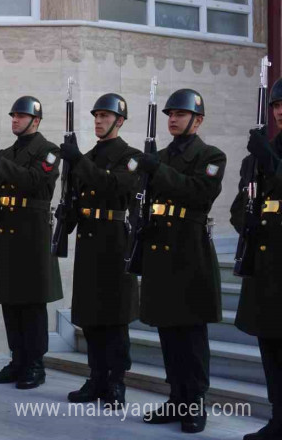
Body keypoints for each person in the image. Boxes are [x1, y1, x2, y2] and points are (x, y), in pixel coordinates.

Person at [136, 89, 225, 434]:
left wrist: (156, 170)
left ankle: (194, 401)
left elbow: (199, 193)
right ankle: (176, 398)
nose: (172, 119)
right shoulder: (157, 156)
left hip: (190, 253)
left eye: (180, 114)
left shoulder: (211, 155)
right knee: (168, 332)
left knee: (190, 334)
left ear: (197, 120)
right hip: (160, 250)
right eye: (170, 114)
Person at [58, 93, 140, 407]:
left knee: (115, 318)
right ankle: (96, 378)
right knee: (91, 316)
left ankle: (116, 382)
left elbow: (115, 187)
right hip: (90, 240)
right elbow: (78, 198)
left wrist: (78, 161)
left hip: (116, 241)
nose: (99, 121)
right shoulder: (88, 156)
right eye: (96, 116)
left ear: (119, 121)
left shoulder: (130, 157)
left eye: (105, 116)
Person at [0, 96, 63, 390]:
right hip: (9, 232)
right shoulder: (6, 152)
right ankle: (17, 360)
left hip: (33, 233)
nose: (15, 120)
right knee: (10, 301)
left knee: (31, 303)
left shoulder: (50, 151)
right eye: (13, 116)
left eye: (21, 116)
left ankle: (35, 365)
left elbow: (34, 182)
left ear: (36, 120)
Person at [231, 78, 282, 440]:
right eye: (277, 106)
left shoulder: (268, 154)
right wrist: (245, 221)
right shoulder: (263, 153)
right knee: (271, 351)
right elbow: (239, 207)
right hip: (265, 269)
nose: (280, 111)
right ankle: (279, 419)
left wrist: (268, 157)